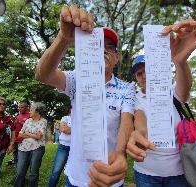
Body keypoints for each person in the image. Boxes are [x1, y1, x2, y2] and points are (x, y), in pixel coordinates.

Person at [35, 4, 135, 187]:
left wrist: (121, 154)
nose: (104, 50)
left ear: (117, 57)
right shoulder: (77, 79)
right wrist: (64, 38)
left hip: (109, 177)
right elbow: (43, 74)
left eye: (110, 47)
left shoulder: (126, 88)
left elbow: (127, 121)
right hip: (75, 178)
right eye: (98, 45)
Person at [126, 19, 196, 186]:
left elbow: (184, 92)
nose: (144, 76)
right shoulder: (135, 98)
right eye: (139, 74)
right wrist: (139, 134)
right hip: (146, 171)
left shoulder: (170, 90)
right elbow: (139, 119)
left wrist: (180, 62)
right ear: (136, 78)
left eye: (146, 70)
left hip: (178, 171)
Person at [13, 102, 47, 187]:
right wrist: (33, 135)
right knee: (20, 172)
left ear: (37, 111)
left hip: (37, 148)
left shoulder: (43, 121)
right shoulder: (27, 121)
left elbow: (39, 136)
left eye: (31, 110)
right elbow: (20, 134)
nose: (29, 112)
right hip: (23, 148)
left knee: (33, 173)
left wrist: (27, 133)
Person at [49, 106, 72, 187]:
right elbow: (65, 130)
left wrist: (70, 129)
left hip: (75, 149)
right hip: (63, 147)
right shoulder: (65, 118)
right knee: (56, 171)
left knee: (72, 173)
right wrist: (78, 129)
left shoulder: (81, 119)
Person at [8, 101, 30, 165]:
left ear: (27, 107)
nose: (20, 109)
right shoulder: (18, 116)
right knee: (15, 153)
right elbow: (14, 128)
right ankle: (16, 165)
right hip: (16, 139)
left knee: (23, 155)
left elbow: (33, 127)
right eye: (19, 107)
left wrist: (23, 123)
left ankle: (23, 166)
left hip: (24, 139)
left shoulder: (30, 115)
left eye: (22, 107)